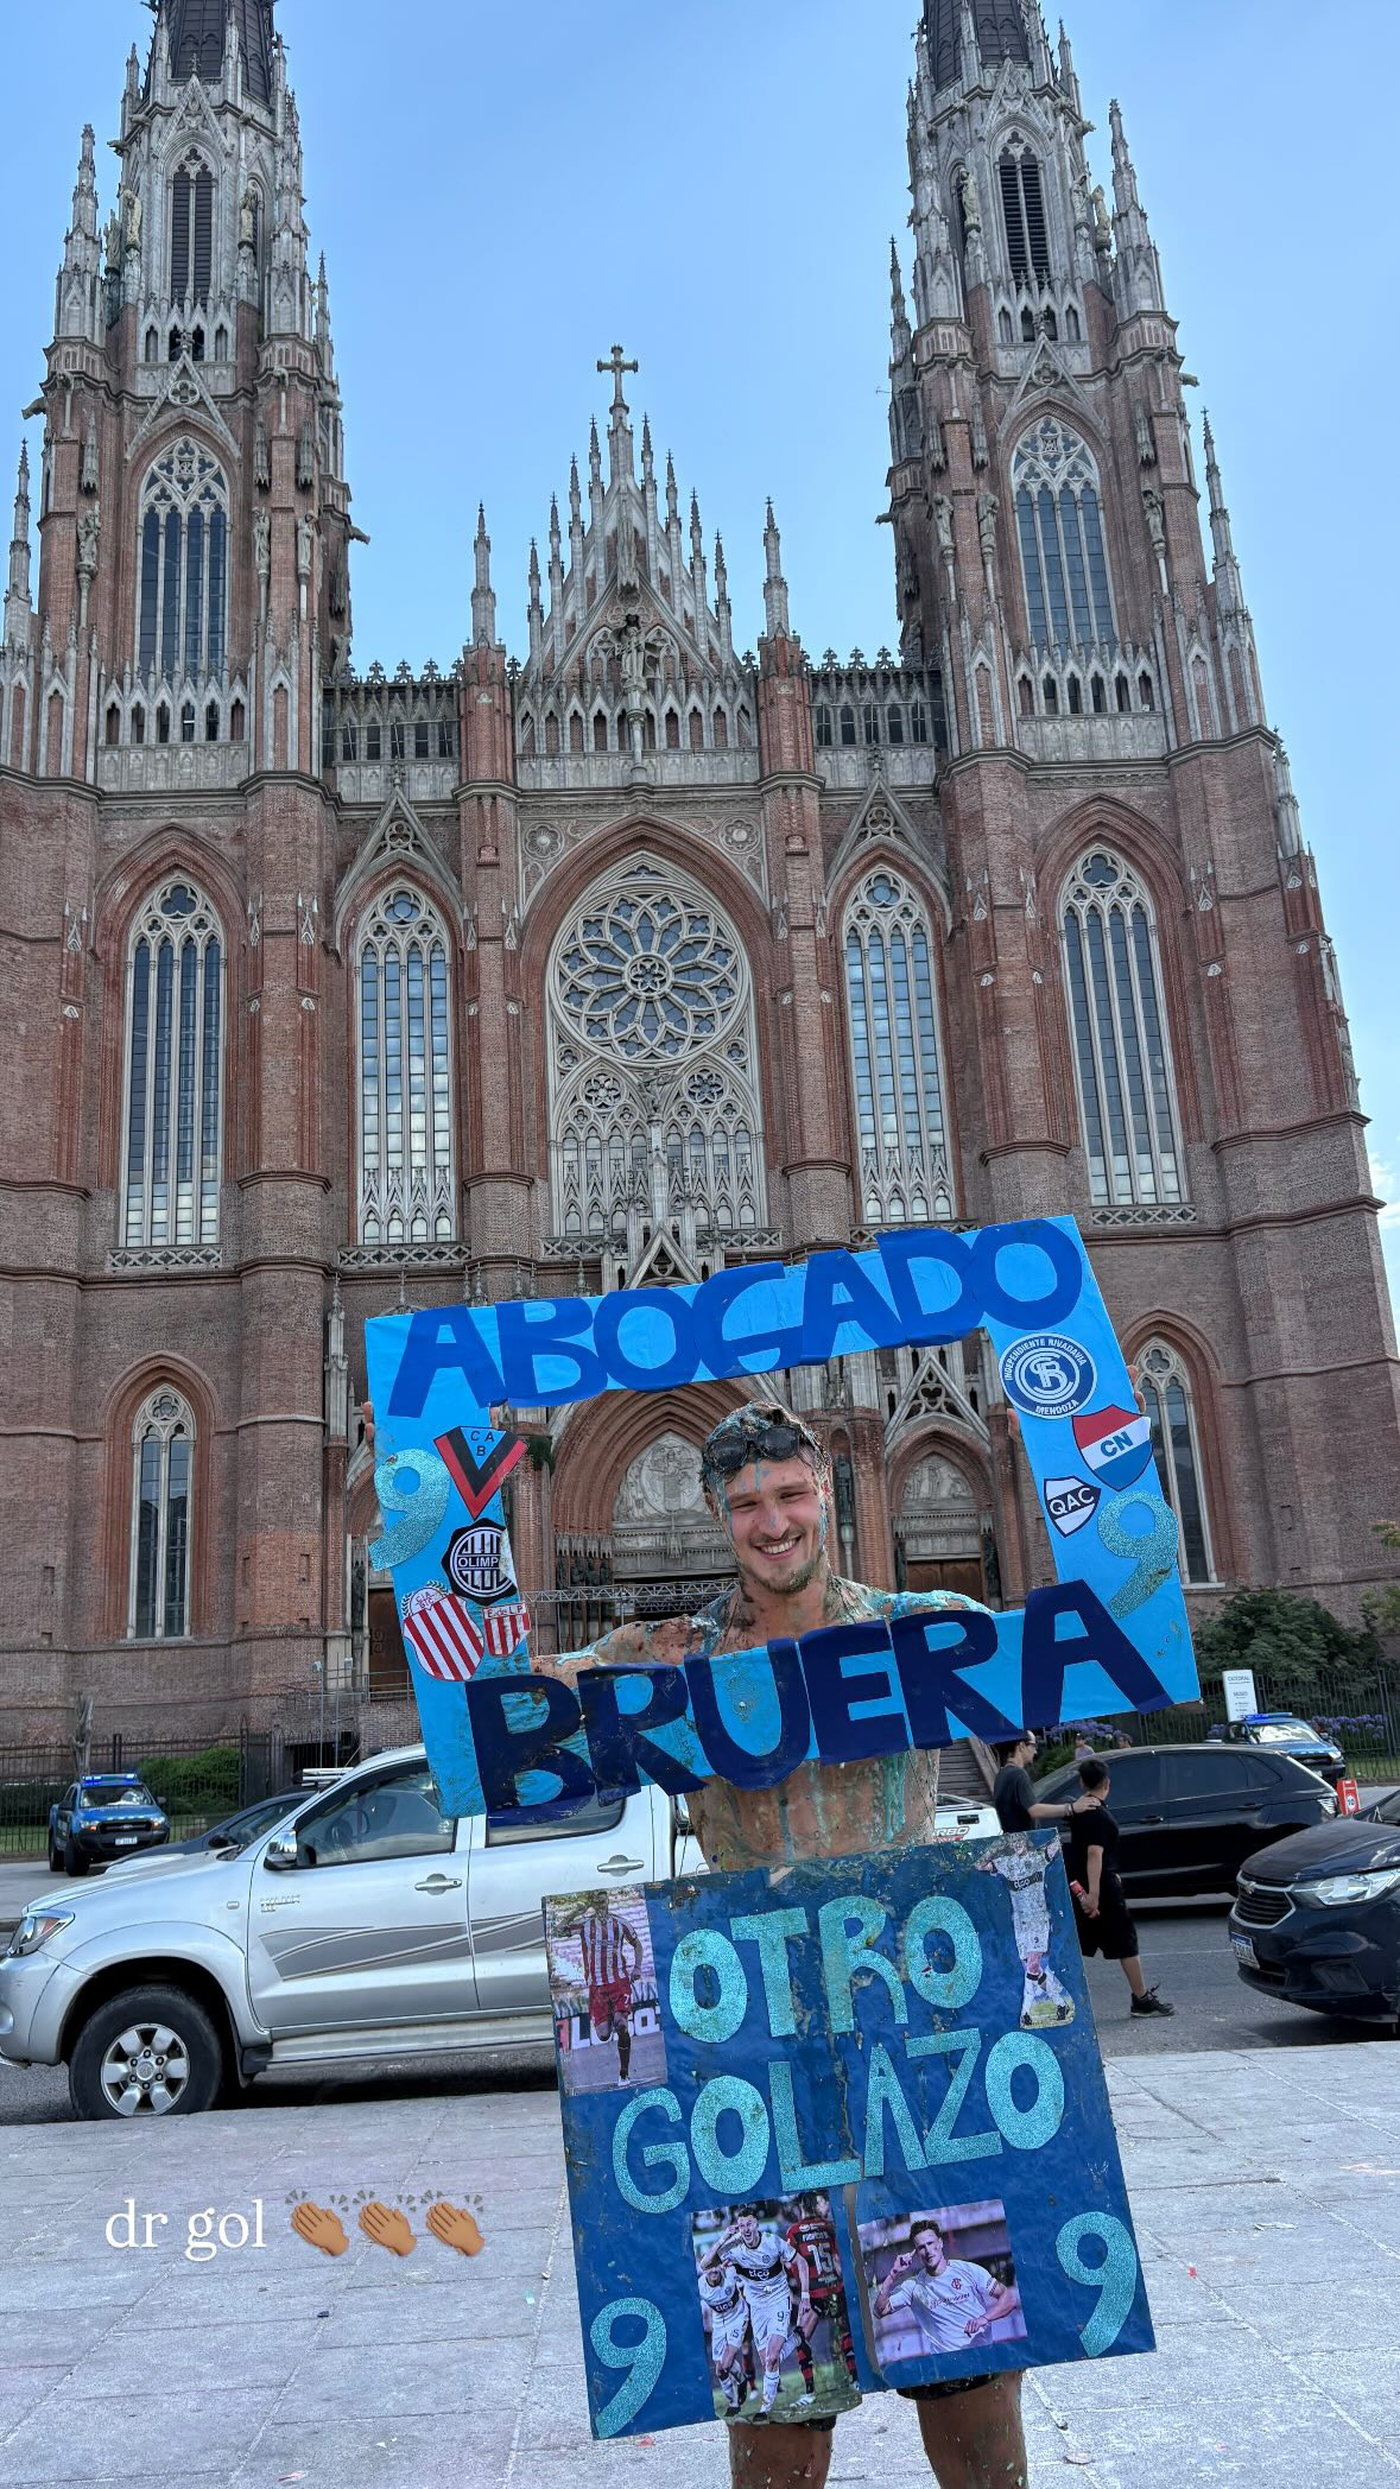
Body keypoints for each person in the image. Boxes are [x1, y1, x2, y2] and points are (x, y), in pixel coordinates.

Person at [367, 1393, 1031, 2486]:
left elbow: (1100, 1645)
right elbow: (485, 1725)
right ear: (719, 1515)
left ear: (823, 1489)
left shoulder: (918, 1630)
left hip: (914, 2054)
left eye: (787, 1493)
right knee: (775, 2407)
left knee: (972, 2399)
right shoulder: (666, 1656)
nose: (770, 1521)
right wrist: (438, 1528)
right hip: (754, 2062)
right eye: (744, 1504)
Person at [1064, 1758, 1174, 2018]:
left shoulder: (1080, 1812)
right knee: (1126, 1943)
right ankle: (1141, 1999)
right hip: (1100, 1889)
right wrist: (1094, 1896)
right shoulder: (1098, 1816)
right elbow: (1094, 1855)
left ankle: (1061, 2000)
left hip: (1084, 1884)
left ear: (1082, 1783)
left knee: (1073, 1944)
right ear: (1107, 1783)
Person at [708, 2210, 811, 2424]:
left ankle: (765, 2408)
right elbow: (705, 2265)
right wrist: (724, 2237)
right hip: (756, 2308)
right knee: (768, 2362)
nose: (745, 2229)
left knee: (772, 2358)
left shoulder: (773, 2242)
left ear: (756, 2225)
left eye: (749, 2224)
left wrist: (805, 2296)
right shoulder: (735, 2251)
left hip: (778, 2301)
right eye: (741, 2225)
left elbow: (801, 2262)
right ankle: (798, 2338)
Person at [873, 2218, 1021, 2354]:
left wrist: (983, 2318)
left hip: (981, 2355)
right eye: (922, 2247)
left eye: (930, 2243)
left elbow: (1009, 2299)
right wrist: (893, 2274)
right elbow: (879, 2311)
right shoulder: (913, 2287)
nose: (928, 2251)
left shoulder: (968, 2270)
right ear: (917, 2253)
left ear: (940, 2243)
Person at [556, 1897, 643, 2081]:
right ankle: (611, 2015)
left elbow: (637, 1944)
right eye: (597, 1903)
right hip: (597, 1988)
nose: (601, 1906)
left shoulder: (620, 1923)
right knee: (603, 2035)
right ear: (593, 1906)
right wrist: (575, 1912)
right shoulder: (584, 1925)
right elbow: (558, 1931)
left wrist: (637, 1967)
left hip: (619, 1982)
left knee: (621, 2025)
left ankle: (624, 2074)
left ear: (608, 1903)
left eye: (603, 1902)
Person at [786, 2194, 858, 2403]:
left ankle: (809, 2393)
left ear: (801, 2206)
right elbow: (838, 2259)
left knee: (801, 2339)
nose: (824, 2204)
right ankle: (855, 2380)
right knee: (846, 2334)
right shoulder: (828, 2226)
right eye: (821, 2202)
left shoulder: (794, 2232)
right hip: (835, 2288)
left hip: (815, 2295)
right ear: (813, 2205)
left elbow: (792, 2267)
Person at [991, 1731, 1095, 1835]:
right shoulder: (1018, 1774)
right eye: (1033, 1745)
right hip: (1025, 1842)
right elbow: (1034, 1810)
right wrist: (1072, 1808)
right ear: (1022, 1746)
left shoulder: (1002, 1774)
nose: (1035, 1751)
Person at [699, 2253, 754, 2418]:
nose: (713, 2270)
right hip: (719, 2322)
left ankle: (734, 2404)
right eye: (709, 2268)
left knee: (727, 2361)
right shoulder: (700, 2286)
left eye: (715, 2266)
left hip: (738, 2317)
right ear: (703, 2271)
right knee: (720, 2370)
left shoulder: (730, 2274)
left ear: (720, 2266)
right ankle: (739, 2387)